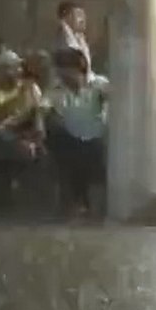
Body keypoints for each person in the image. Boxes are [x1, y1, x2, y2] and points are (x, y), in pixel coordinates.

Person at [0, 50, 45, 214]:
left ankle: (38, 208)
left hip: (23, 136)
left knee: (46, 150)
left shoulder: (30, 88)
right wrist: (19, 97)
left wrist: (34, 137)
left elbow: (38, 114)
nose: (19, 71)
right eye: (13, 67)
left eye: (19, 67)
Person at [44, 48, 108, 216]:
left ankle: (90, 204)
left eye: (65, 70)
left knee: (93, 151)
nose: (62, 75)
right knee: (62, 142)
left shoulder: (99, 84)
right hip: (69, 138)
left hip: (96, 136)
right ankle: (75, 203)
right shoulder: (56, 89)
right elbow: (44, 108)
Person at [56, 1, 92, 74]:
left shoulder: (80, 38)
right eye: (79, 15)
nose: (82, 20)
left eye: (83, 16)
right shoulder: (61, 39)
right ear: (67, 17)